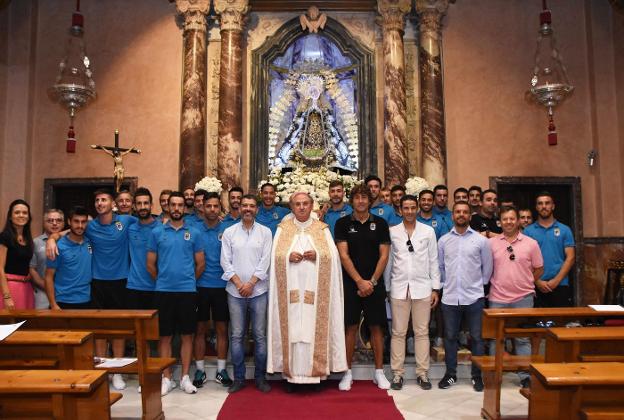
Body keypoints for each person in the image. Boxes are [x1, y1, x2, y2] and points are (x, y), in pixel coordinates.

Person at [47, 189, 138, 390]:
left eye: (103, 199)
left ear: (112, 203)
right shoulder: (89, 225)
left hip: (121, 282)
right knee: (100, 330)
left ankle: (117, 372)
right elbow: (66, 232)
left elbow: (147, 224)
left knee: (119, 330)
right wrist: (52, 239)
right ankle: (103, 369)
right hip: (97, 283)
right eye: (96, 200)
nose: (99, 203)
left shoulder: (126, 221)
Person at [267, 192, 347, 388]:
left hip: (316, 291)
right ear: (291, 207)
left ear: (312, 206)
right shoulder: (282, 229)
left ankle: (315, 375)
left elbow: (333, 259)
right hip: (290, 291)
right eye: (297, 204)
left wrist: (318, 255)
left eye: (305, 204)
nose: (301, 207)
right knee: (293, 330)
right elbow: (275, 257)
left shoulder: (322, 229)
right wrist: (287, 256)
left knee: (311, 329)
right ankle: (292, 375)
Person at [147, 191, 205, 395]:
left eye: (181, 205)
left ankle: (185, 378)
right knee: (165, 337)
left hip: (188, 292)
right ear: (168, 207)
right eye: (174, 205)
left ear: (184, 208)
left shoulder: (194, 232)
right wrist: (164, 280)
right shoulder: (157, 232)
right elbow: (150, 264)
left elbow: (200, 264)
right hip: (163, 292)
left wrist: (186, 280)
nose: (177, 208)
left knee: (187, 335)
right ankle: (166, 378)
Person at [335, 183, 391, 391]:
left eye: (364, 197)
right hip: (350, 284)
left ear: (370, 200)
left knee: (376, 327)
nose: (361, 201)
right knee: (349, 327)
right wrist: (359, 281)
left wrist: (372, 282)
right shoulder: (342, 224)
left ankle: (379, 372)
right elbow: (343, 255)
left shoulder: (381, 223)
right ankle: (347, 373)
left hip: (375, 284)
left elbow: (384, 255)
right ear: (352, 201)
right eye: (357, 197)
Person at [437, 201, 493, 392]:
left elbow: (487, 269)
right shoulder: (443, 241)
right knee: (450, 337)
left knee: (477, 338)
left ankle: (477, 377)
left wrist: (477, 286)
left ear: (470, 216)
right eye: (458, 212)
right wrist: (446, 285)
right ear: (453, 215)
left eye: (465, 212)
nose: (461, 215)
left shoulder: (481, 241)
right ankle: (450, 374)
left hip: (474, 297)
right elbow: (441, 268)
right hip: (450, 297)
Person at [387, 195, 440, 391]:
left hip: (423, 288)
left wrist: (435, 288)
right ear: (400, 210)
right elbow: (389, 263)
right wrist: (387, 287)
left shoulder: (428, 231)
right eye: (405, 208)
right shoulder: (393, 232)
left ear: (417, 209)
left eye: (412, 208)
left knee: (422, 332)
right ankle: (397, 374)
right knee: (398, 332)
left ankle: (422, 372)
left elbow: (433, 261)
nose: (409, 211)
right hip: (399, 287)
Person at [221, 194, 272, 393]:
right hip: (234, 292)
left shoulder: (266, 232)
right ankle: (239, 378)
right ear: (239, 208)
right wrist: (239, 283)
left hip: (258, 291)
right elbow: (225, 261)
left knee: (260, 336)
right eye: (244, 205)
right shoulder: (229, 232)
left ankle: (260, 378)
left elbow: (265, 262)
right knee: (236, 336)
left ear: (256, 210)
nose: (248, 209)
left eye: (252, 206)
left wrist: (250, 283)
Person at [488, 206, 544, 388]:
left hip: (523, 297)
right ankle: (494, 374)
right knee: (495, 338)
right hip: (498, 297)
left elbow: (539, 268)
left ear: (518, 220)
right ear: (499, 222)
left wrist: (527, 282)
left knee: (522, 338)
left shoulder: (531, 243)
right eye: (505, 219)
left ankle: (525, 375)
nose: (509, 222)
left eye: (512, 218)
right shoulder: (492, 244)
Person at [193, 192, 233, 388]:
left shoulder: (228, 229)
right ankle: (199, 370)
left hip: (222, 286)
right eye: (208, 206)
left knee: (222, 329)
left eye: (215, 206)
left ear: (220, 208)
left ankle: (221, 369)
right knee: (199, 329)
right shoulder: (194, 229)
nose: (212, 209)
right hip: (199, 286)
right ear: (202, 207)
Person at [524, 192, 575, 307]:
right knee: (536, 323)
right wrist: (537, 281)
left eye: (547, 203)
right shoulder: (528, 231)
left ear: (553, 206)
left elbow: (570, 258)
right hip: (535, 285)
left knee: (560, 323)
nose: (544, 206)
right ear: (536, 207)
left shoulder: (565, 230)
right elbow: (524, 260)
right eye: (540, 204)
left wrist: (556, 281)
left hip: (560, 284)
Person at [44, 206, 92, 310]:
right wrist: (53, 304)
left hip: (86, 301)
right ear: (69, 222)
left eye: (83, 222)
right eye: (76, 221)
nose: (80, 225)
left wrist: (52, 237)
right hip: (63, 301)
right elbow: (48, 277)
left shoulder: (90, 242)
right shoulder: (57, 246)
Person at [127, 188, 159, 310]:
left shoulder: (161, 229)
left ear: (151, 205)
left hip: (156, 287)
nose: (142, 207)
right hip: (134, 286)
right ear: (134, 206)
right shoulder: (129, 229)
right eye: (139, 203)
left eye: (146, 203)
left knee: (156, 327)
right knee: (135, 328)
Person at [0, 199, 35, 310]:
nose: (21, 215)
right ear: (10, 216)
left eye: (25, 213)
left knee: (26, 325)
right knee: (10, 326)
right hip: (10, 287)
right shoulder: (4, 237)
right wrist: (6, 296)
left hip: (26, 287)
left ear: (29, 217)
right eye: (17, 212)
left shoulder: (28, 239)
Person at [29, 209, 65, 309]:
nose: (54, 223)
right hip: (42, 293)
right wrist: (47, 287)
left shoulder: (69, 242)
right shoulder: (36, 242)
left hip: (65, 294)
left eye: (58, 220)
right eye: (50, 220)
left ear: (63, 223)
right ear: (44, 223)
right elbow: (32, 269)